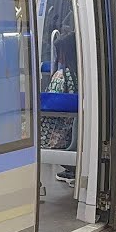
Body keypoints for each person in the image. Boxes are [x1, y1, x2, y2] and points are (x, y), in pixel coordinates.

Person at [40, 32, 78, 181]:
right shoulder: (80, 76)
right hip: (71, 131)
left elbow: (50, 102)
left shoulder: (61, 76)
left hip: (55, 134)